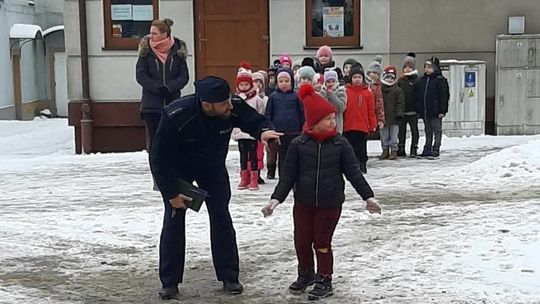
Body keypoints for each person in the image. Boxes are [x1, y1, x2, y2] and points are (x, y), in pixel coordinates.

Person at [149, 76, 282, 300]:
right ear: (206, 104)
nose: (230, 105)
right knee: (173, 220)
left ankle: (229, 277)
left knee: (221, 217)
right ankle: (169, 282)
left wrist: (264, 131)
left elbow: (254, 120)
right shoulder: (177, 114)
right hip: (178, 171)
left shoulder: (229, 105)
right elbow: (158, 158)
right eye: (224, 104)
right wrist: (171, 192)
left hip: (212, 169)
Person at [261, 84, 381, 300]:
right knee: (302, 240)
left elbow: (354, 174)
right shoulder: (298, 145)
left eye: (333, 118)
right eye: (328, 119)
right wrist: (274, 201)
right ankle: (305, 273)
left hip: (330, 203)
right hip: (303, 203)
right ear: (314, 122)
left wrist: (368, 197)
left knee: (322, 242)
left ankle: (324, 278)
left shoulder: (340, 144)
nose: (333, 122)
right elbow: (287, 177)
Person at [136, 18, 189, 152]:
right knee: (155, 141)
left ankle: (172, 169)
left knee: (172, 139)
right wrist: (157, 88)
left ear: (164, 34)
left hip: (173, 104)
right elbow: (141, 75)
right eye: (150, 33)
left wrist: (170, 88)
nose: (150, 36)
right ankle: (156, 170)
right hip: (152, 105)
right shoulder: (146, 52)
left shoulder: (178, 52)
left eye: (154, 33)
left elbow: (184, 77)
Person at [231, 62, 266, 190]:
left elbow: (261, 112)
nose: (244, 87)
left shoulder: (257, 99)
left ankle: (254, 179)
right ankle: (244, 178)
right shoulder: (236, 99)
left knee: (253, 157)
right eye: (241, 84)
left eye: (246, 84)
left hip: (252, 133)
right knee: (243, 156)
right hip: (240, 133)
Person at [265, 68, 305, 178]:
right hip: (278, 133)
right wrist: (269, 128)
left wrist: (303, 128)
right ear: (277, 83)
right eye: (281, 81)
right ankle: (283, 178)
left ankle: (294, 178)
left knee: (293, 156)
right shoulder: (273, 97)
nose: (284, 84)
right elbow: (268, 114)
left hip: (294, 132)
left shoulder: (296, 96)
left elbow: (302, 113)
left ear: (292, 82)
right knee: (282, 156)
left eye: (286, 81)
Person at [343, 64, 377, 174]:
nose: (357, 80)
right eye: (354, 77)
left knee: (361, 147)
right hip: (348, 125)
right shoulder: (346, 91)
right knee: (350, 148)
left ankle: (362, 164)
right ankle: (352, 165)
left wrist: (373, 123)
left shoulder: (367, 92)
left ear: (362, 78)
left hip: (362, 126)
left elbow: (371, 110)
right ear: (351, 79)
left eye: (359, 77)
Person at [415, 56, 449, 157]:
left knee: (437, 130)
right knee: (427, 130)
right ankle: (427, 148)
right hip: (426, 110)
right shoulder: (422, 80)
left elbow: (444, 96)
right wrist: (419, 109)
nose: (427, 69)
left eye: (430, 67)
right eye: (426, 67)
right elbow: (419, 96)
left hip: (436, 111)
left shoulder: (440, 80)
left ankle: (436, 147)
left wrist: (442, 110)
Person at [379, 66, 405, 160]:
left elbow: (401, 103)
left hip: (394, 117)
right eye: (387, 77)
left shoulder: (397, 90)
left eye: (392, 78)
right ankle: (385, 150)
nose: (389, 80)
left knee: (394, 136)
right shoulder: (380, 89)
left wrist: (399, 113)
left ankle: (394, 150)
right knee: (384, 135)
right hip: (383, 117)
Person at [397, 52, 420, 157]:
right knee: (401, 131)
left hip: (413, 110)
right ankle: (401, 147)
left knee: (414, 131)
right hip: (402, 111)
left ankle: (414, 148)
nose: (407, 69)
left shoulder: (416, 81)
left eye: (410, 67)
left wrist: (419, 109)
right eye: (405, 67)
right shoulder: (400, 81)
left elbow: (419, 95)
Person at [320, 68, 347, 134]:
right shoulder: (321, 94)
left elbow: (340, 108)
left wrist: (331, 94)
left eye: (333, 81)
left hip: (337, 128)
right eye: (328, 82)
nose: (331, 84)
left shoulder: (341, 92)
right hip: (323, 127)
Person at [366, 55, 386, 130]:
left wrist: (381, 118)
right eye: (373, 72)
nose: (375, 75)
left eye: (377, 74)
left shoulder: (378, 87)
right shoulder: (363, 84)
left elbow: (379, 104)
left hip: (373, 114)